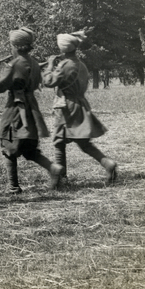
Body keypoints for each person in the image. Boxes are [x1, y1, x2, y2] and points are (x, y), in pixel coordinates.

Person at [0, 28, 64, 194]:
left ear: (15, 46)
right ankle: (53, 168)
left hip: (14, 112)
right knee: (30, 150)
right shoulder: (34, 63)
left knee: (8, 145)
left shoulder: (14, 64)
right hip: (31, 112)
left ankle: (13, 186)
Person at [41, 31, 117, 184]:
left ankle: (61, 178)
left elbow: (49, 81)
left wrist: (49, 66)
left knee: (59, 142)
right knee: (81, 143)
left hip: (67, 107)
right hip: (80, 104)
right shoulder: (81, 64)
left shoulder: (65, 65)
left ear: (63, 49)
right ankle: (108, 164)